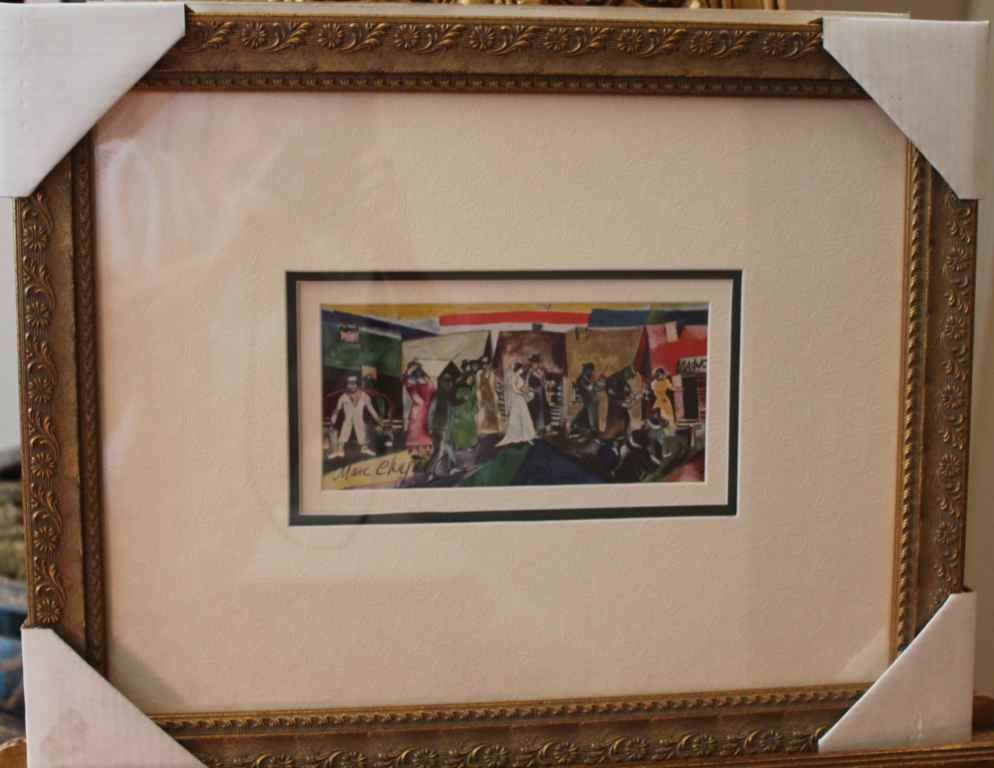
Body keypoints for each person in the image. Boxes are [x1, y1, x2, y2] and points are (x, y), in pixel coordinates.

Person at [330, 375, 382, 458]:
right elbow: (337, 409)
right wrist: (333, 419)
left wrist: (377, 419)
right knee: (345, 429)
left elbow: (371, 408)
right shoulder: (343, 397)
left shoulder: (364, 396)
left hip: (359, 419)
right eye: (349, 384)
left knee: (361, 430)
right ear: (347, 385)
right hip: (348, 420)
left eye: (353, 384)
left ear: (357, 384)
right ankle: (340, 450)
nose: (351, 386)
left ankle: (364, 448)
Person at [427, 371, 458, 478]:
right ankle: (432, 472)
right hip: (440, 427)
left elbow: (451, 412)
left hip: (447, 427)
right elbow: (431, 412)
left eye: (450, 381)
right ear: (441, 382)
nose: (450, 383)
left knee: (448, 447)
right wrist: (430, 428)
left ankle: (449, 468)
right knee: (442, 449)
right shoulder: (438, 395)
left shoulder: (449, 395)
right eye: (447, 381)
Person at [497, 362, 537, 447]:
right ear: (518, 370)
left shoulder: (519, 377)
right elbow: (515, 389)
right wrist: (523, 393)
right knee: (516, 419)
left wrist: (528, 391)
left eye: (521, 370)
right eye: (520, 370)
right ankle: (516, 436)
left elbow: (523, 388)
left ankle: (527, 436)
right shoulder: (513, 377)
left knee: (525, 417)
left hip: (520, 400)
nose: (521, 371)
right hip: (516, 400)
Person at [403, 362, 435, 455]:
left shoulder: (427, 381)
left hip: (424, 409)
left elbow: (432, 392)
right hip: (420, 410)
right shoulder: (413, 382)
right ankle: (417, 450)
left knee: (423, 429)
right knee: (417, 430)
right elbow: (412, 392)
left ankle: (423, 449)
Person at [451, 360, 479, 450]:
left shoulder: (471, 387)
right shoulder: (459, 386)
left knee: (469, 427)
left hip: (466, 409)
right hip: (461, 409)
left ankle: (467, 369)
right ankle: (461, 445)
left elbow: (474, 403)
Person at [570, 362, 602, 436]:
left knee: (587, 417)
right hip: (589, 401)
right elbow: (590, 388)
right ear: (588, 370)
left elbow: (596, 388)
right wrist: (595, 383)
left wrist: (599, 382)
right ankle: (592, 432)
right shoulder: (582, 379)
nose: (593, 372)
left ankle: (583, 429)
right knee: (592, 421)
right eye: (592, 370)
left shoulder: (587, 377)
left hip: (591, 401)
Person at [475, 354, 500, 435]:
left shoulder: (491, 373)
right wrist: (479, 397)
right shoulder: (479, 373)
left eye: (486, 363)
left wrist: (495, 397)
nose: (485, 365)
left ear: (489, 364)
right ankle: (481, 429)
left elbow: (492, 387)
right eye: (483, 363)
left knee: (492, 411)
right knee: (482, 410)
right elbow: (478, 386)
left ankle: (493, 429)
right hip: (482, 394)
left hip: (489, 395)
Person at [649, 367, 677, 435]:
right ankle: (665, 431)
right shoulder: (653, 383)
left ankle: (672, 431)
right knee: (660, 415)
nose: (661, 376)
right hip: (658, 400)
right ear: (656, 375)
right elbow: (654, 392)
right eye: (659, 374)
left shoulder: (666, 381)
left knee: (668, 416)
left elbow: (671, 388)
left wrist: (677, 388)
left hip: (665, 399)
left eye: (662, 374)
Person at [526, 353, 549, 435]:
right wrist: (530, 389)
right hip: (532, 394)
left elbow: (543, 383)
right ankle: (534, 429)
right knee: (533, 410)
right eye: (533, 363)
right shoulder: (529, 372)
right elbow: (527, 383)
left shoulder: (540, 371)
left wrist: (540, 379)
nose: (534, 365)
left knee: (541, 410)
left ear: (538, 363)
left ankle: (541, 428)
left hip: (540, 393)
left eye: (535, 363)